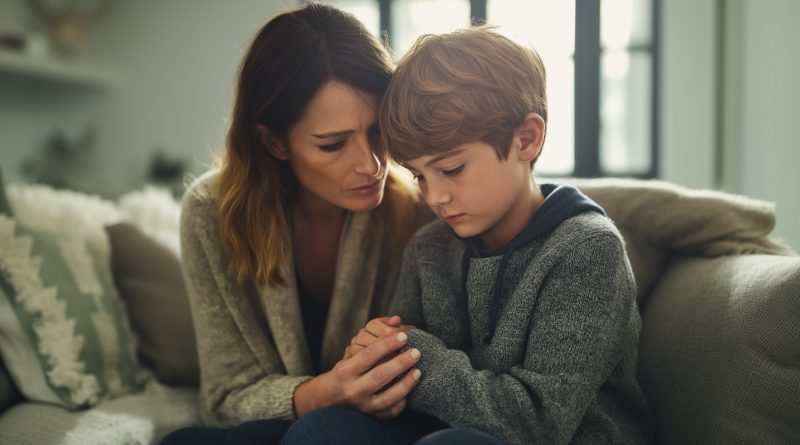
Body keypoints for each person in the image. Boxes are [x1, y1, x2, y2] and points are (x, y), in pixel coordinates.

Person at [293, 27, 654, 444]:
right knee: (321, 429)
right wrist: (378, 361)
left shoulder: (587, 250)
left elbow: (539, 424)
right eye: (418, 176)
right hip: (435, 435)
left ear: (526, 139)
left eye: (451, 170)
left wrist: (416, 355)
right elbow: (403, 381)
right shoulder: (428, 248)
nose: (434, 197)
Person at [159, 4, 443, 445]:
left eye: (377, 132)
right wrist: (325, 394)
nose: (371, 166)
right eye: (333, 145)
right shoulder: (210, 214)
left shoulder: (420, 213)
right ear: (273, 141)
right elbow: (223, 396)